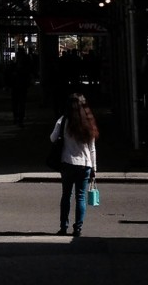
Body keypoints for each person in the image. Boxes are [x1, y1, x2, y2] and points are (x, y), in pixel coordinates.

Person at [50, 92, 99, 237]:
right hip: (85, 165)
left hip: (67, 162)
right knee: (81, 196)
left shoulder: (63, 120)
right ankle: (78, 228)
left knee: (66, 195)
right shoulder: (89, 123)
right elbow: (92, 149)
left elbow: (52, 138)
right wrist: (94, 168)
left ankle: (63, 227)